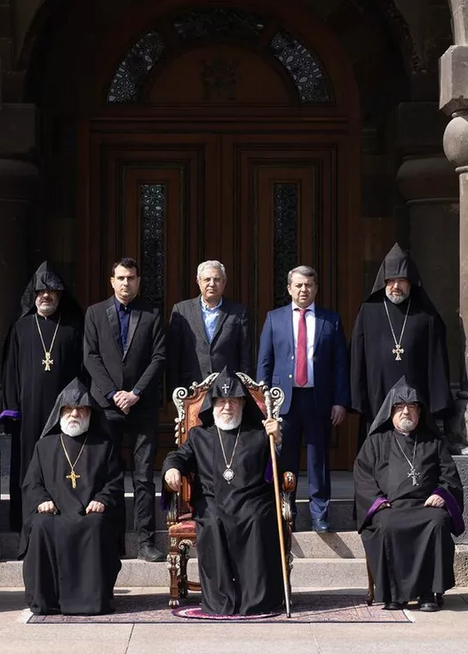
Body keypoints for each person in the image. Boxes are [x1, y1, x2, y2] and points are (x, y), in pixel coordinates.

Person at [162, 373, 285, 616]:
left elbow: (277, 471)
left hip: (252, 500)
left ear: (243, 404)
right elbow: (177, 457)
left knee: (256, 519)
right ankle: (220, 601)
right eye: (221, 401)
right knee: (213, 521)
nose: (227, 407)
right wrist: (171, 470)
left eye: (234, 401)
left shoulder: (259, 433)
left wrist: (278, 441)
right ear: (212, 405)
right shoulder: (199, 435)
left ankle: (256, 600)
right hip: (213, 501)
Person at [353, 378, 462, 612]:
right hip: (390, 507)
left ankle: (429, 593)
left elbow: (450, 476)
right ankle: (393, 594)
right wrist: (377, 502)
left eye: (412, 407)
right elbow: (363, 477)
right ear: (390, 412)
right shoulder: (375, 442)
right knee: (386, 525)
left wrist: (442, 494)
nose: (406, 412)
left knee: (437, 522)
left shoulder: (434, 442)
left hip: (425, 507)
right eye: (400, 407)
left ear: (420, 412)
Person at [84, 256, 167, 562]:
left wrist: (135, 393)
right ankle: (113, 539)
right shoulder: (95, 313)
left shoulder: (152, 313)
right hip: (106, 406)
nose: (126, 283)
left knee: (143, 476)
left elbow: (159, 357)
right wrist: (112, 393)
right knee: (109, 474)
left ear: (138, 281)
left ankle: (145, 541)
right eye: (120, 278)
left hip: (141, 405)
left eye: (131, 278)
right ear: (112, 281)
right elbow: (90, 356)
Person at [256, 264, 348, 532]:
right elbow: (264, 363)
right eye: (298, 285)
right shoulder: (274, 319)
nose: (303, 289)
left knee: (318, 458)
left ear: (316, 288)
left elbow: (340, 364)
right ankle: (287, 512)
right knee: (286, 459)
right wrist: (264, 402)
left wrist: (340, 401)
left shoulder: (330, 320)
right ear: (289, 289)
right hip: (284, 401)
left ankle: (320, 514)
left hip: (318, 399)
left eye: (308, 285)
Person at [22, 378, 124, 615]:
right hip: (55, 512)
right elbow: (32, 483)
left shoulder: (104, 446)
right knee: (41, 525)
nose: (74, 414)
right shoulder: (44, 446)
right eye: (68, 409)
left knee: (97, 525)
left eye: (81, 409)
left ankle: (91, 601)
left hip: (89, 513)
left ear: (90, 413)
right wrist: (41, 500)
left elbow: (114, 482)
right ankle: (46, 600)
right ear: (59, 413)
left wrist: (102, 499)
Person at [1, 261, 84, 532]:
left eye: (52, 291)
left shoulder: (73, 328)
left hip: (64, 413)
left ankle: (63, 513)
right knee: (27, 462)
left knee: (62, 461)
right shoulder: (21, 328)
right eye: (41, 291)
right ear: (33, 295)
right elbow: (10, 370)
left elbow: (82, 370)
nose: (46, 295)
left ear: (60, 294)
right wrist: (11, 408)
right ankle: (24, 520)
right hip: (28, 411)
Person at [350, 243, 451, 441]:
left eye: (402, 280)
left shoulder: (426, 315)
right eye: (391, 280)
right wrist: (357, 397)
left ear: (410, 282)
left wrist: (438, 402)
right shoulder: (368, 311)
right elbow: (357, 355)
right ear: (384, 281)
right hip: (376, 396)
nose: (396, 286)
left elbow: (437, 360)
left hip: (415, 397)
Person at [168, 260, 250, 389]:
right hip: (192, 386)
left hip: (227, 388)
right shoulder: (181, 310)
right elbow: (173, 355)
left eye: (217, 279)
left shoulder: (238, 312)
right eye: (207, 279)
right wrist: (174, 390)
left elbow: (245, 355)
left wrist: (243, 389)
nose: (212, 284)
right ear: (198, 282)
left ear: (224, 283)